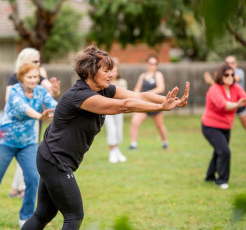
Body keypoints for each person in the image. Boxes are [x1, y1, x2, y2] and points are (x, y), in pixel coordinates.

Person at [21, 45, 189, 230]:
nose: (111, 74)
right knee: (74, 215)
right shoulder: (80, 96)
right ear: (90, 72)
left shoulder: (104, 89)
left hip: (50, 158)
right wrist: (161, 108)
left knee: (44, 213)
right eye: (106, 70)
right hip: (54, 161)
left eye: (111, 70)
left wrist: (169, 101)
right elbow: (124, 106)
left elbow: (139, 95)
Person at [0, 63, 58, 229]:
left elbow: (54, 105)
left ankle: (26, 216)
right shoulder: (14, 90)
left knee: (33, 178)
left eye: (36, 77)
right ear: (21, 77)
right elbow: (23, 108)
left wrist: (66, 111)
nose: (33, 80)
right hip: (3, 141)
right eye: (29, 77)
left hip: (27, 142)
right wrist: (39, 116)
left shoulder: (41, 91)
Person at [6, 48, 61, 200]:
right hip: (18, 124)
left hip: (35, 122)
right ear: (25, 61)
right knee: (22, 154)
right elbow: (8, 99)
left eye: (39, 61)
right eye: (35, 61)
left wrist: (55, 90)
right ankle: (20, 187)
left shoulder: (39, 76)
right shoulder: (14, 78)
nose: (39, 64)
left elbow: (51, 94)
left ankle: (19, 188)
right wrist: (29, 108)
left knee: (28, 154)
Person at [202, 64, 246, 190]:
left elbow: (244, 98)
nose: (230, 77)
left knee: (219, 151)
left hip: (226, 127)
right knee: (225, 151)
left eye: (232, 74)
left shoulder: (235, 88)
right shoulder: (214, 89)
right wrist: (237, 104)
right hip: (210, 127)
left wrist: (240, 102)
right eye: (227, 75)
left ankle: (209, 177)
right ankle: (222, 180)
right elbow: (223, 105)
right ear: (221, 76)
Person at [129, 55, 168, 150]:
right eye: (151, 63)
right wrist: (136, 96)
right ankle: (133, 145)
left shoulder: (158, 75)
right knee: (134, 122)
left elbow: (161, 88)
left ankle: (165, 143)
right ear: (147, 64)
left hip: (156, 104)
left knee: (160, 126)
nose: (153, 65)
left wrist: (147, 94)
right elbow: (137, 89)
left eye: (155, 63)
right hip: (144, 104)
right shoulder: (142, 76)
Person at [204, 55, 246, 129]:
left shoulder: (239, 72)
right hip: (229, 101)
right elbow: (220, 89)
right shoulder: (220, 84)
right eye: (227, 63)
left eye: (232, 63)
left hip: (241, 102)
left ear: (236, 64)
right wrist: (215, 82)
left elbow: (234, 79)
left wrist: (222, 76)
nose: (230, 65)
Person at [104, 60, 127, 163]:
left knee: (118, 130)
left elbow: (123, 96)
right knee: (111, 129)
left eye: (116, 70)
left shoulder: (122, 82)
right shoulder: (105, 83)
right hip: (107, 110)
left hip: (119, 109)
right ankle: (112, 151)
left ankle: (117, 149)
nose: (115, 73)